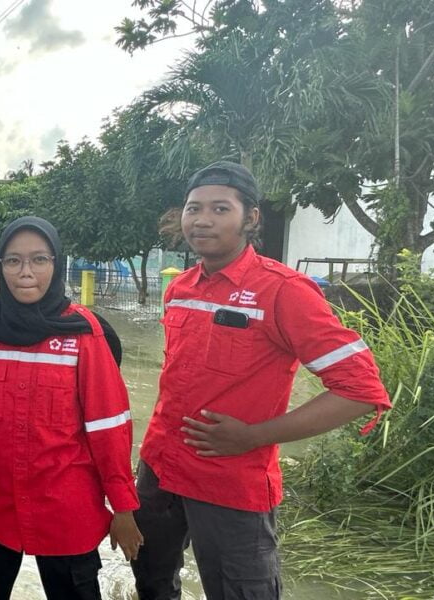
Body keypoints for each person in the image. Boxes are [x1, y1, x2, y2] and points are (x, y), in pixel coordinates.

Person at [132, 161, 391, 599]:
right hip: (160, 467)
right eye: (194, 209)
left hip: (230, 481)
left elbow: (360, 391)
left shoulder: (284, 291)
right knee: (152, 580)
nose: (203, 220)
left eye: (219, 208)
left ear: (250, 218)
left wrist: (254, 436)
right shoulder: (181, 288)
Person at [0, 216, 142, 600]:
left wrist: (123, 508)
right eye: (13, 261)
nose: (25, 272)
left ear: (57, 264)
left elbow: (109, 426)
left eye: (39, 259)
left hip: (67, 506)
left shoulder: (83, 333)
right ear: (0, 268)